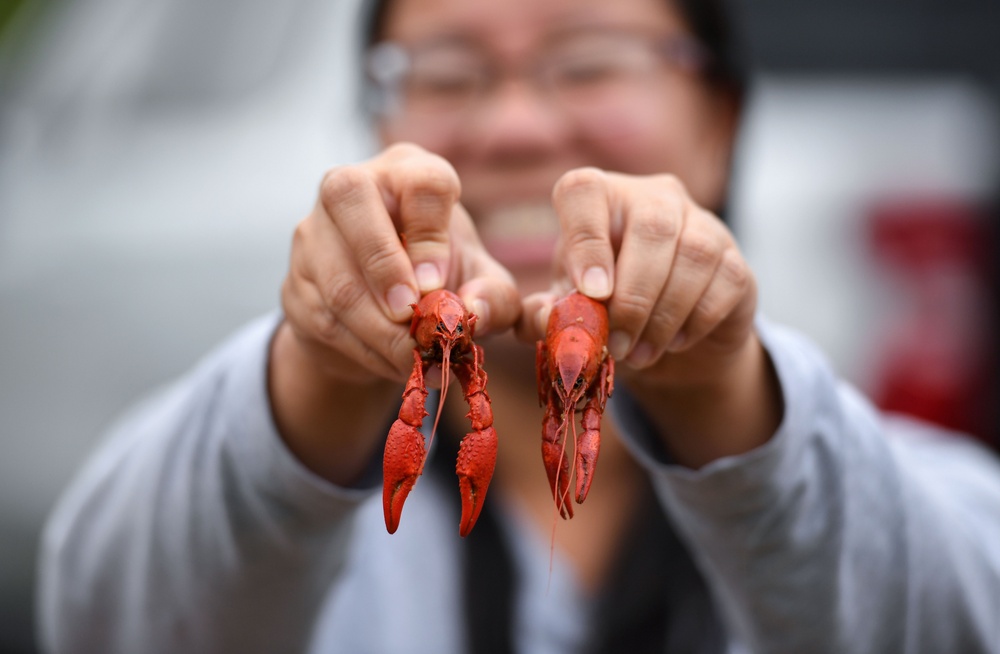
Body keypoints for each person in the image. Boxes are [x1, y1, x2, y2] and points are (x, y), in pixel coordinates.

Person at [37, 0, 1000, 651]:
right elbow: (105, 609)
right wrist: (319, 374)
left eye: (587, 64)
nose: (514, 129)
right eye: (448, 74)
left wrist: (725, 393)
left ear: (719, 122)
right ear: (377, 123)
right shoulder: (240, 456)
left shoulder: (930, 502)